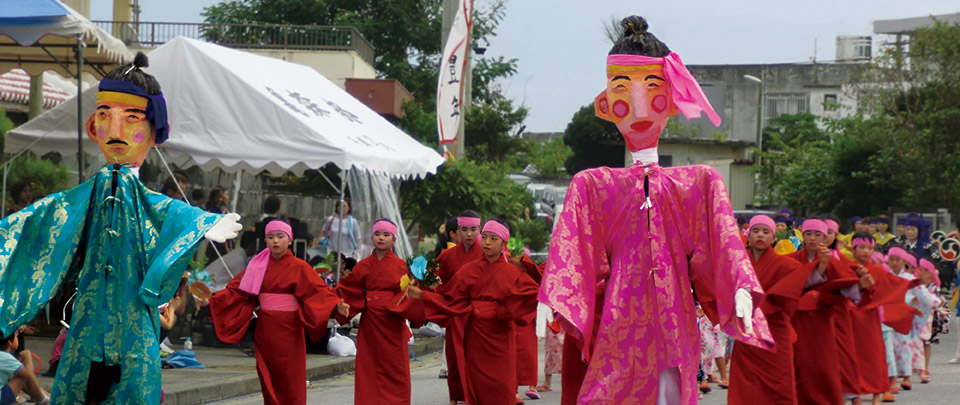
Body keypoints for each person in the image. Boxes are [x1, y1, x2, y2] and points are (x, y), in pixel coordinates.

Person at [539, 16, 772, 404]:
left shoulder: (698, 183)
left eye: (652, 88)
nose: (638, 104)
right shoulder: (592, 186)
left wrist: (741, 288)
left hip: (674, 319)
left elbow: (724, 248)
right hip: (618, 324)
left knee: (669, 392)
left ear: (674, 102)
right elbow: (573, 255)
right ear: (606, 105)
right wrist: (554, 295)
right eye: (621, 90)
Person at [0, 52, 242, 404]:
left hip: (134, 324)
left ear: (155, 130)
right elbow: (37, 222)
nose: (116, 131)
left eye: (131, 118)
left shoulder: (146, 200)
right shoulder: (81, 199)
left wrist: (203, 222)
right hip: (86, 324)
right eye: (105, 116)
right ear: (92, 127)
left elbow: (165, 210)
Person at [209, 220, 349, 404]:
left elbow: (318, 291)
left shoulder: (299, 266)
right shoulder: (257, 266)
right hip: (265, 329)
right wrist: (212, 299)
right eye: (271, 237)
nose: (275, 241)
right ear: (265, 240)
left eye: (280, 237)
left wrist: (336, 304)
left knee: (290, 378)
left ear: (290, 240)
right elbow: (236, 290)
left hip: (290, 330)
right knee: (268, 376)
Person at [406, 218, 539, 404]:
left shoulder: (513, 273)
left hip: (500, 333)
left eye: (493, 239)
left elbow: (531, 295)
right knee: (477, 382)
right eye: (484, 237)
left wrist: (503, 311)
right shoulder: (468, 270)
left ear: (504, 243)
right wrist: (424, 295)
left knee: (502, 383)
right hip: (474, 332)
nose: (487, 242)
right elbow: (450, 298)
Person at [728, 215, 814, 405]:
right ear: (748, 234)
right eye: (756, 231)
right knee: (746, 384)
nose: (760, 235)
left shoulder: (788, 266)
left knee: (780, 383)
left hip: (775, 332)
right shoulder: (736, 265)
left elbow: (793, 296)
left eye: (766, 232)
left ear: (774, 238)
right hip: (747, 333)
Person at [337, 219, 423, 405]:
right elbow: (349, 289)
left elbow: (408, 295)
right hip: (370, 325)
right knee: (369, 368)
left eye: (386, 235)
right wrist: (336, 303)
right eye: (377, 234)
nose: (381, 238)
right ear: (372, 237)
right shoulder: (363, 265)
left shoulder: (402, 266)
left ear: (394, 239)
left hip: (392, 321)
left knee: (395, 368)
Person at [787, 219, 860, 404]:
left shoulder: (835, 260)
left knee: (823, 365)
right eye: (808, 234)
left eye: (817, 234)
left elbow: (848, 288)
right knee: (798, 363)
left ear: (826, 237)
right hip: (797, 318)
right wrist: (820, 268)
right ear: (802, 236)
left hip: (823, 320)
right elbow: (790, 286)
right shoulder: (791, 258)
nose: (812, 238)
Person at [846, 233, 915, 404]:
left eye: (870, 248)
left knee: (875, 355)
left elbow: (893, 289)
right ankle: (854, 395)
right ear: (852, 249)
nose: (866, 251)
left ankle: (877, 393)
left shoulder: (878, 271)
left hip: (871, 319)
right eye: (862, 247)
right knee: (851, 356)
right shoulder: (846, 269)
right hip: (850, 318)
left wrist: (917, 284)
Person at [433, 210, 483, 403]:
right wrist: (435, 287)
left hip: (479, 314)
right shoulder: (448, 255)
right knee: (454, 358)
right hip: (456, 312)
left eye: (473, 229)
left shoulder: (487, 253)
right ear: (457, 231)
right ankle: (455, 396)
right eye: (464, 229)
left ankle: (476, 395)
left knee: (477, 359)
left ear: (479, 229)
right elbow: (435, 276)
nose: (469, 234)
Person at [0, 332, 48, 405]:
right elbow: (28, 375)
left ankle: (38, 397)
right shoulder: (5, 356)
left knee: (16, 375)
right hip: (1, 398)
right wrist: (27, 356)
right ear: (10, 342)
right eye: (16, 336)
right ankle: (42, 400)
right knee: (22, 376)